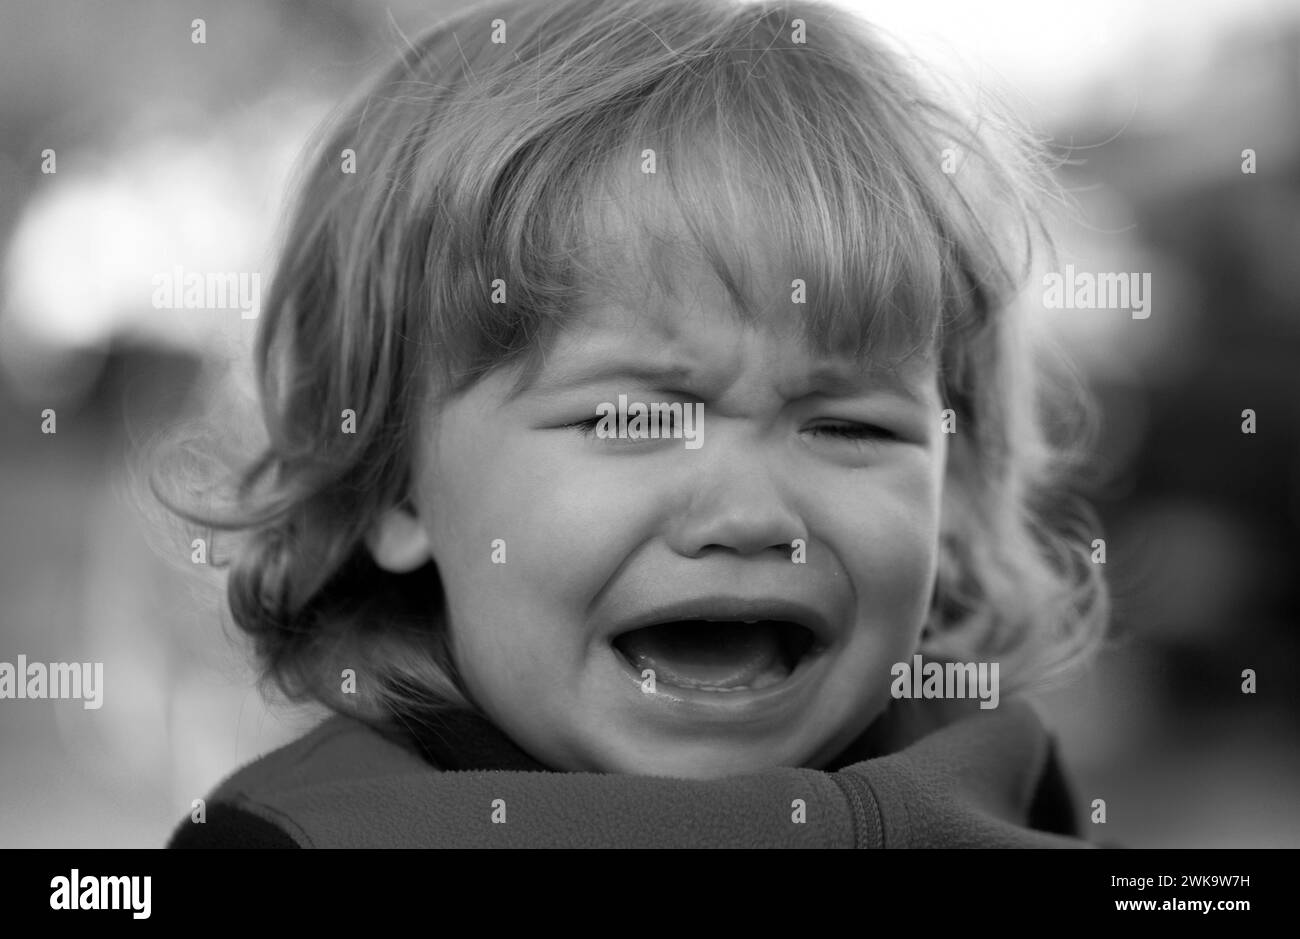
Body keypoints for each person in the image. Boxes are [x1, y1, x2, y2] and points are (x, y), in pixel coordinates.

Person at [162, 0, 1108, 848]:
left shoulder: (1001, 780)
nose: (750, 515)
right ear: (393, 484)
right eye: (633, 416)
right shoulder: (310, 844)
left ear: (954, 485)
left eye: (849, 427)